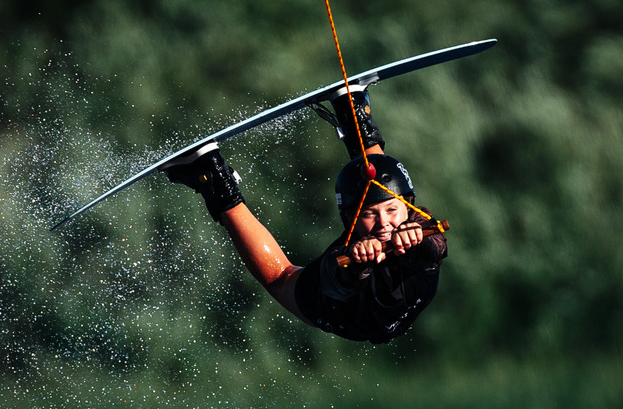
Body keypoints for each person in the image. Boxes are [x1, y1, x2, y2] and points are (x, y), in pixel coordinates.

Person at [164, 87, 447, 344]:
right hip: (345, 285)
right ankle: (354, 114)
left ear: (407, 207)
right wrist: (359, 262)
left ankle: (212, 175)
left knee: (283, 278)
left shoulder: (421, 233)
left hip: (354, 316)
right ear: (350, 219)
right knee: (283, 276)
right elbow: (339, 278)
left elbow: (437, 246)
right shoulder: (351, 251)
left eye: (392, 210)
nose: (384, 223)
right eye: (370, 214)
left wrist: (418, 240)